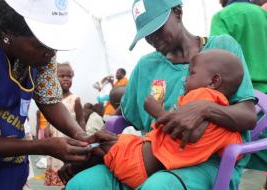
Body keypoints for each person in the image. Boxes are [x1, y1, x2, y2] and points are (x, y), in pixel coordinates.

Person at [63, 0, 257, 189]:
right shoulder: (146, 66)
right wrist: (91, 149)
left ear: (178, 13)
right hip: (150, 156)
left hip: (206, 161)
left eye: (157, 28)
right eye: (146, 33)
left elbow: (248, 116)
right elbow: (122, 116)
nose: (153, 38)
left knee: (158, 186)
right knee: (81, 183)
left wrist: (205, 108)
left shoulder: (221, 49)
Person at [62, 49, 244, 189]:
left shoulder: (201, 95)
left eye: (192, 74)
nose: (185, 79)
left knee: (100, 144)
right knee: (110, 144)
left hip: (137, 164)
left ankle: (74, 166)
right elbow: (233, 151)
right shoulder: (226, 124)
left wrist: (158, 111)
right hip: (143, 161)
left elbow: (193, 133)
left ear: (213, 81)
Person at [0, 1, 90, 189]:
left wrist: (81, 136)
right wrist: (42, 146)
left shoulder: (42, 55)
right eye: (43, 44)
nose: (51, 53)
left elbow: (50, 101)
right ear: (7, 32)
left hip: (10, 171)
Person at [210, 0, 267, 189]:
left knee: (252, 172)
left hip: (249, 104)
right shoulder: (262, 13)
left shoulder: (222, 17)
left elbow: (217, 60)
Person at [44, 63, 85, 186]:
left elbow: (81, 120)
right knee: (57, 172)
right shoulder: (52, 99)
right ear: (54, 78)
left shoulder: (75, 99)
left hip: (69, 141)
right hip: (55, 140)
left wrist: (83, 140)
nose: (66, 78)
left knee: (68, 171)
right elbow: (50, 117)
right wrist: (47, 127)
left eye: (69, 76)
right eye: (62, 76)